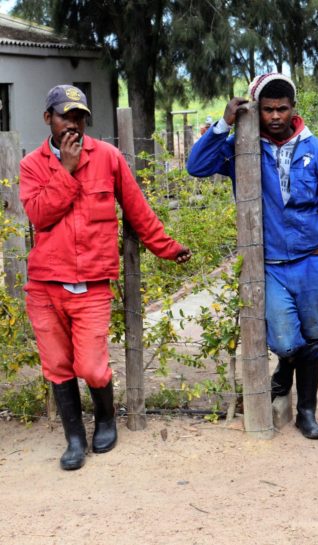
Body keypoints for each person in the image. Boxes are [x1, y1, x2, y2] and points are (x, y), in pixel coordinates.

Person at [20, 84, 192, 471]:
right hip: (46, 286)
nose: (75, 125)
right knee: (58, 365)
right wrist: (65, 168)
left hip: (91, 285)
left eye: (81, 117)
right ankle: (74, 439)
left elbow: (138, 211)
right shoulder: (33, 165)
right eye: (66, 116)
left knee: (93, 365)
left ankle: (106, 420)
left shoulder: (108, 158)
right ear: (48, 119)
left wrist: (167, 247)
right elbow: (39, 215)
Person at [186, 73, 318, 440]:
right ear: (257, 110)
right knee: (287, 340)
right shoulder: (242, 148)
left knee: (313, 336)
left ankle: (307, 412)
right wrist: (225, 123)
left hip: (314, 263)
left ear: (293, 109)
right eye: (268, 109)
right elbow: (196, 166)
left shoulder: (315, 150)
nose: (275, 116)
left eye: (282, 109)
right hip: (270, 267)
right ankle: (283, 370)